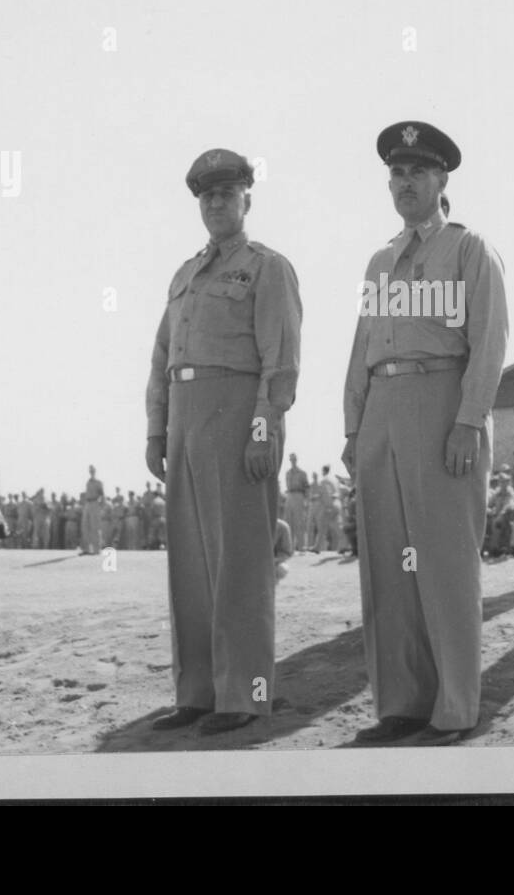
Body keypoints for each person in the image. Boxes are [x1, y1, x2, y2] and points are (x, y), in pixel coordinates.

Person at [342, 120, 508, 747]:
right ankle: (402, 704)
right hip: (382, 407)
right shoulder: (380, 259)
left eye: (416, 171)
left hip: (441, 403)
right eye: (396, 172)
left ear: (443, 180)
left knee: (443, 562)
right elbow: (362, 346)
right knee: (388, 562)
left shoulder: (469, 250)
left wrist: (469, 420)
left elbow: (489, 342)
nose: (404, 182)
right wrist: (353, 427)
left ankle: (455, 708)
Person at [146, 147, 302, 736]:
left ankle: (245, 695)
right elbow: (162, 357)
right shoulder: (185, 273)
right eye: (206, 196)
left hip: (236, 418)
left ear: (247, 200)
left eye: (226, 193)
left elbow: (279, 362)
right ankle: (198, 692)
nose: (216, 203)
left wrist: (264, 429)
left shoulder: (267, 267)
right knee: (190, 565)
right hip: (185, 420)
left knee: (240, 563)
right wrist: (156, 428)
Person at [282, 453, 310, 550]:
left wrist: (306, 501)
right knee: (288, 521)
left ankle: (301, 545)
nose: (292, 461)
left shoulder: (302, 473)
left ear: (296, 460)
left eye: (293, 459)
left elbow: (307, 487)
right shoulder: (287, 473)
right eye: (291, 459)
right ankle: (290, 546)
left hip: (299, 495)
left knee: (299, 521)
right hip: (289, 495)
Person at [315, 465, 343, 551]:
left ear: (323, 471)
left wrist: (328, 506)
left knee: (322, 525)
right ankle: (345, 545)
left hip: (330, 505)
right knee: (337, 526)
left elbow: (327, 494)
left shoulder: (324, 480)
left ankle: (317, 548)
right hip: (337, 504)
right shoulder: (335, 480)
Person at [80, 466, 105, 555]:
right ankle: (87, 549)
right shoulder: (88, 482)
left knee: (95, 527)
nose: (91, 472)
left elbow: (102, 495)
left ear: (95, 471)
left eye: (92, 471)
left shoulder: (98, 483)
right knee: (85, 526)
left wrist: (101, 507)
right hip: (88, 503)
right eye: (90, 471)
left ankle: (96, 549)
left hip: (95, 503)